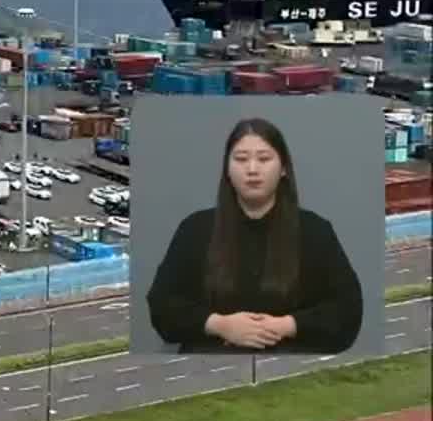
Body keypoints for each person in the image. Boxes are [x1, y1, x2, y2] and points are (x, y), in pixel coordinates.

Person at [146, 117, 363, 354]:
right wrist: (219, 325)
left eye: (264, 159)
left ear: (283, 169)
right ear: (227, 170)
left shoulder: (315, 230)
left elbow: (347, 309)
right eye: (241, 159)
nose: (252, 169)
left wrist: (286, 326)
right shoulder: (195, 229)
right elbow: (162, 304)